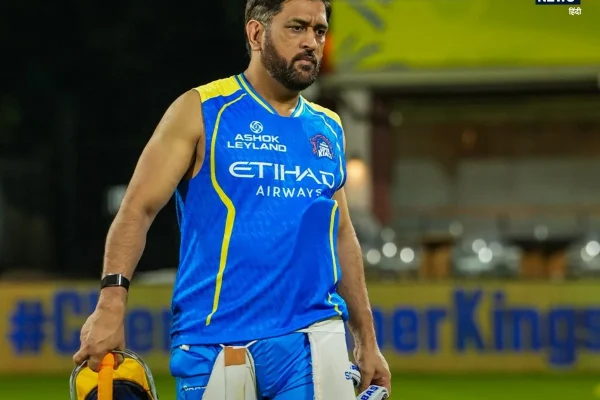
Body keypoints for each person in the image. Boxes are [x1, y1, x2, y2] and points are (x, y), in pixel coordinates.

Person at [73, 0, 391, 398]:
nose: (312, 42)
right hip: (213, 341)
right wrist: (110, 303)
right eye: (297, 27)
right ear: (256, 33)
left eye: (319, 30)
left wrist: (366, 339)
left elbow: (341, 233)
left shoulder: (328, 127)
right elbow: (138, 209)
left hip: (311, 339)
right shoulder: (201, 110)